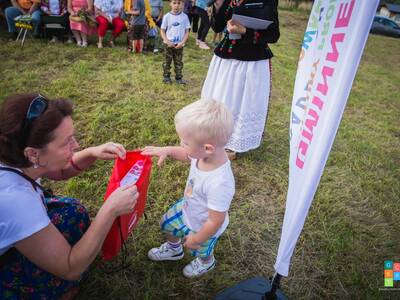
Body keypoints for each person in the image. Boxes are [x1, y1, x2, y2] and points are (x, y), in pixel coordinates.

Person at [0, 93, 139, 299]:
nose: (75, 145)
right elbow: (70, 267)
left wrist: (91, 153)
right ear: (33, 154)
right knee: (67, 270)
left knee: (73, 211)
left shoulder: (17, 157)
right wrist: (109, 211)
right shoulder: (15, 201)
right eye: (66, 142)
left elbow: (61, 172)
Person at [142, 99, 235, 278]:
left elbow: (215, 221)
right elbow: (187, 155)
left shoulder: (220, 183)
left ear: (207, 148)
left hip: (204, 226)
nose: (181, 144)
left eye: (184, 142)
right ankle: (174, 249)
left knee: (202, 250)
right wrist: (167, 150)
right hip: (188, 207)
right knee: (167, 224)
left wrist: (197, 238)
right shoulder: (204, 154)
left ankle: (206, 263)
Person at [201, 0, 280, 159]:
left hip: (252, 61)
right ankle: (213, 136)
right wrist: (217, 6)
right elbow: (217, 27)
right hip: (226, 57)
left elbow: (273, 34)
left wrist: (245, 30)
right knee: (220, 98)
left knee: (241, 101)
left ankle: (233, 143)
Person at [160, 0, 190, 84]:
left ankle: (179, 78)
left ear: (182, 4)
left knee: (178, 62)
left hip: (179, 45)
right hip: (168, 44)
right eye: (174, 3)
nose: (176, 5)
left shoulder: (184, 17)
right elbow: (162, 30)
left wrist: (182, 42)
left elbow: (187, 31)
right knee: (167, 61)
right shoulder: (167, 16)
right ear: (170, 4)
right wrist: (167, 41)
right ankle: (166, 77)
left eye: (179, 3)